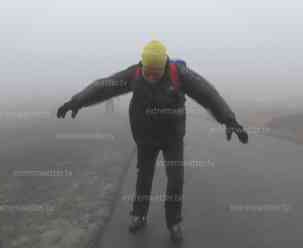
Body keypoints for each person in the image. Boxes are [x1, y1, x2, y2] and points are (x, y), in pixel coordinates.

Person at [57, 40, 248, 243]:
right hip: (145, 136)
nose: (150, 77)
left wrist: (229, 120)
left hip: (172, 137)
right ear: (142, 66)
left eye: (155, 72)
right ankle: (139, 214)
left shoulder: (180, 74)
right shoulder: (135, 74)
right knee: (144, 176)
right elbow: (103, 86)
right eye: (147, 71)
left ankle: (174, 222)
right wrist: (77, 101)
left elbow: (208, 95)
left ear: (164, 66)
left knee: (175, 180)